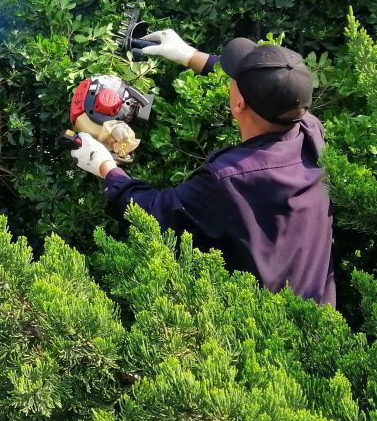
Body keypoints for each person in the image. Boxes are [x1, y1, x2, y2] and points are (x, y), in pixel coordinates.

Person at [70, 29, 335, 307]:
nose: (230, 79)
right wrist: (190, 56)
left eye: (234, 78)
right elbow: (273, 91)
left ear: (239, 103)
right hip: (321, 314)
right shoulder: (310, 129)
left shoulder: (229, 179)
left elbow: (158, 212)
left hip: (263, 327)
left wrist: (105, 167)